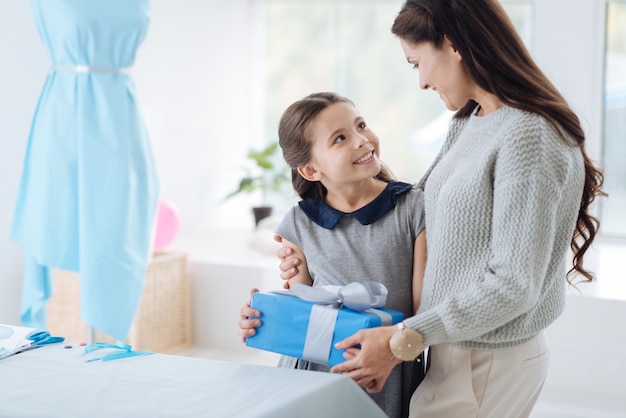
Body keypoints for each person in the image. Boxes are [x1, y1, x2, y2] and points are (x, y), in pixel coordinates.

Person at [273, 1, 607, 417]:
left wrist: (401, 341)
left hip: (486, 359)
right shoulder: (472, 121)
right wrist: (317, 250)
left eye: (417, 62)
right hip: (452, 348)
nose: (422, 82)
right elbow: (427, 216)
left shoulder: (528, 135)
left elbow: (514, 285)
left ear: (452, 44)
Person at [238, 92, 427, 418]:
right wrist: (259, 318)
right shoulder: (298, 223)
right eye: (340, 138)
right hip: (309, 369)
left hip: (384, 367)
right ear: (310, 170)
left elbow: (423, 313)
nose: (361, 140)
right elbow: (301, 306)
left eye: (361, 125)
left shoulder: (413, 208)